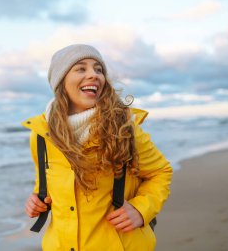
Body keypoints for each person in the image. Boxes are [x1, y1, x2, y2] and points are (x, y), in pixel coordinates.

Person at [22, 44, 173, 250]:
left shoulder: (124, 128)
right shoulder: (41, 135)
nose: (94, 75)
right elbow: (45, 185)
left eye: (98, 69)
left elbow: (160, 172)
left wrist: (140, 210)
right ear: (61, 80)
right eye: (81, 68)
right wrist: (37, 200)